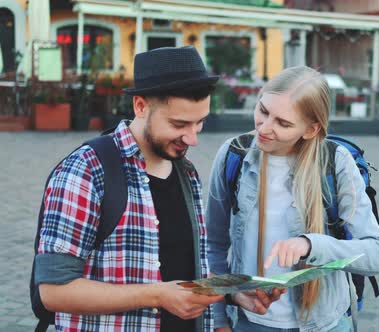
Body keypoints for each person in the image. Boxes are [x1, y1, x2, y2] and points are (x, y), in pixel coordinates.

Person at [33, 46, 280, 332]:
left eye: (199, 123)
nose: (192, 138)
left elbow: (183, 267)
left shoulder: (185, 172)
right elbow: (52, 292)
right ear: (140, 106)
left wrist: (234, 294)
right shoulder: (86, 170)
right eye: (179, 124)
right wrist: (157, 295)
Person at [206, 66, 379, 332]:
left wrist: (312, 246)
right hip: (249, 323)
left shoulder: (335, 163)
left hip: (325, 325)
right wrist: (219, 319)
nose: (265, 128)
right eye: (263, 110)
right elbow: (213, 245)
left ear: (311, 129)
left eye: (283, 123)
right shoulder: (233, 155)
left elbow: (378, 255)